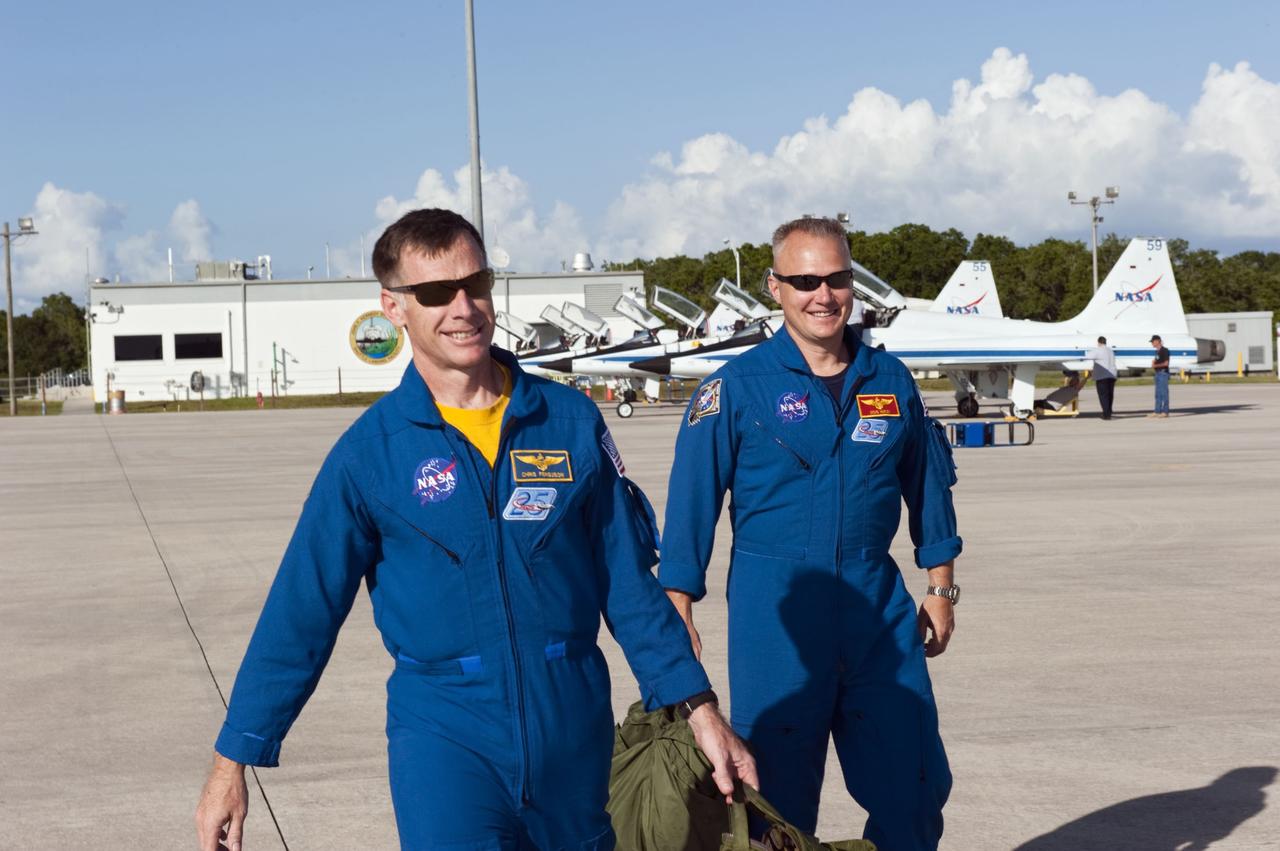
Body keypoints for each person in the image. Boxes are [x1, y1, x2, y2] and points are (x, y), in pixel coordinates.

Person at [195, 208, 755, 851]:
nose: (463, 307)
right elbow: (301, 612)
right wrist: (231, 762)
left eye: (476, 284)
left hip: (572, 728)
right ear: (394, 307)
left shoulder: (568, 421)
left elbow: (626, 583)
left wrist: (698, 707)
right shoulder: (370, 455)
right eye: (436, 293)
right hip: (445, 734)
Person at [659, 216, 962, 851]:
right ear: (775, 287)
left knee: (914, 791)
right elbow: (691, 503)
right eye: (804, 280)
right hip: (778, 618)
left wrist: (941, 586)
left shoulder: (891, 381)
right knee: (778, 805)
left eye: (837, 278)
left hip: (877, 614)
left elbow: (927, 487)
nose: (822, 295)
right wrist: (678, 604)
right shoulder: (735, 389)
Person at [1086, 336, 1118, 419]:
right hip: (1112, 375)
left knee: (1103, 396)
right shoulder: (1110, 351)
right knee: (1110, 395)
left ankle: (1106, 414)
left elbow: (1087, 356)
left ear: (1099, 342)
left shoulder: (1098, 350)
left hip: (1102, 377)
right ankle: (1109, 412)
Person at [1149, 334, 1171, 418]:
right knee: (1157, 394)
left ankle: (1165, 412)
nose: (1152, 343)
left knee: (1164, 393)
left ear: (1157, 341)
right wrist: (1154, 362)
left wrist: (1155, 366)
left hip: (1163, 373)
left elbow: (1166, 363)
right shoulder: (1157, 352)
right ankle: (1157, 411)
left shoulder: (1164, 350)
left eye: (1153, 341)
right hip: (1158, 373)